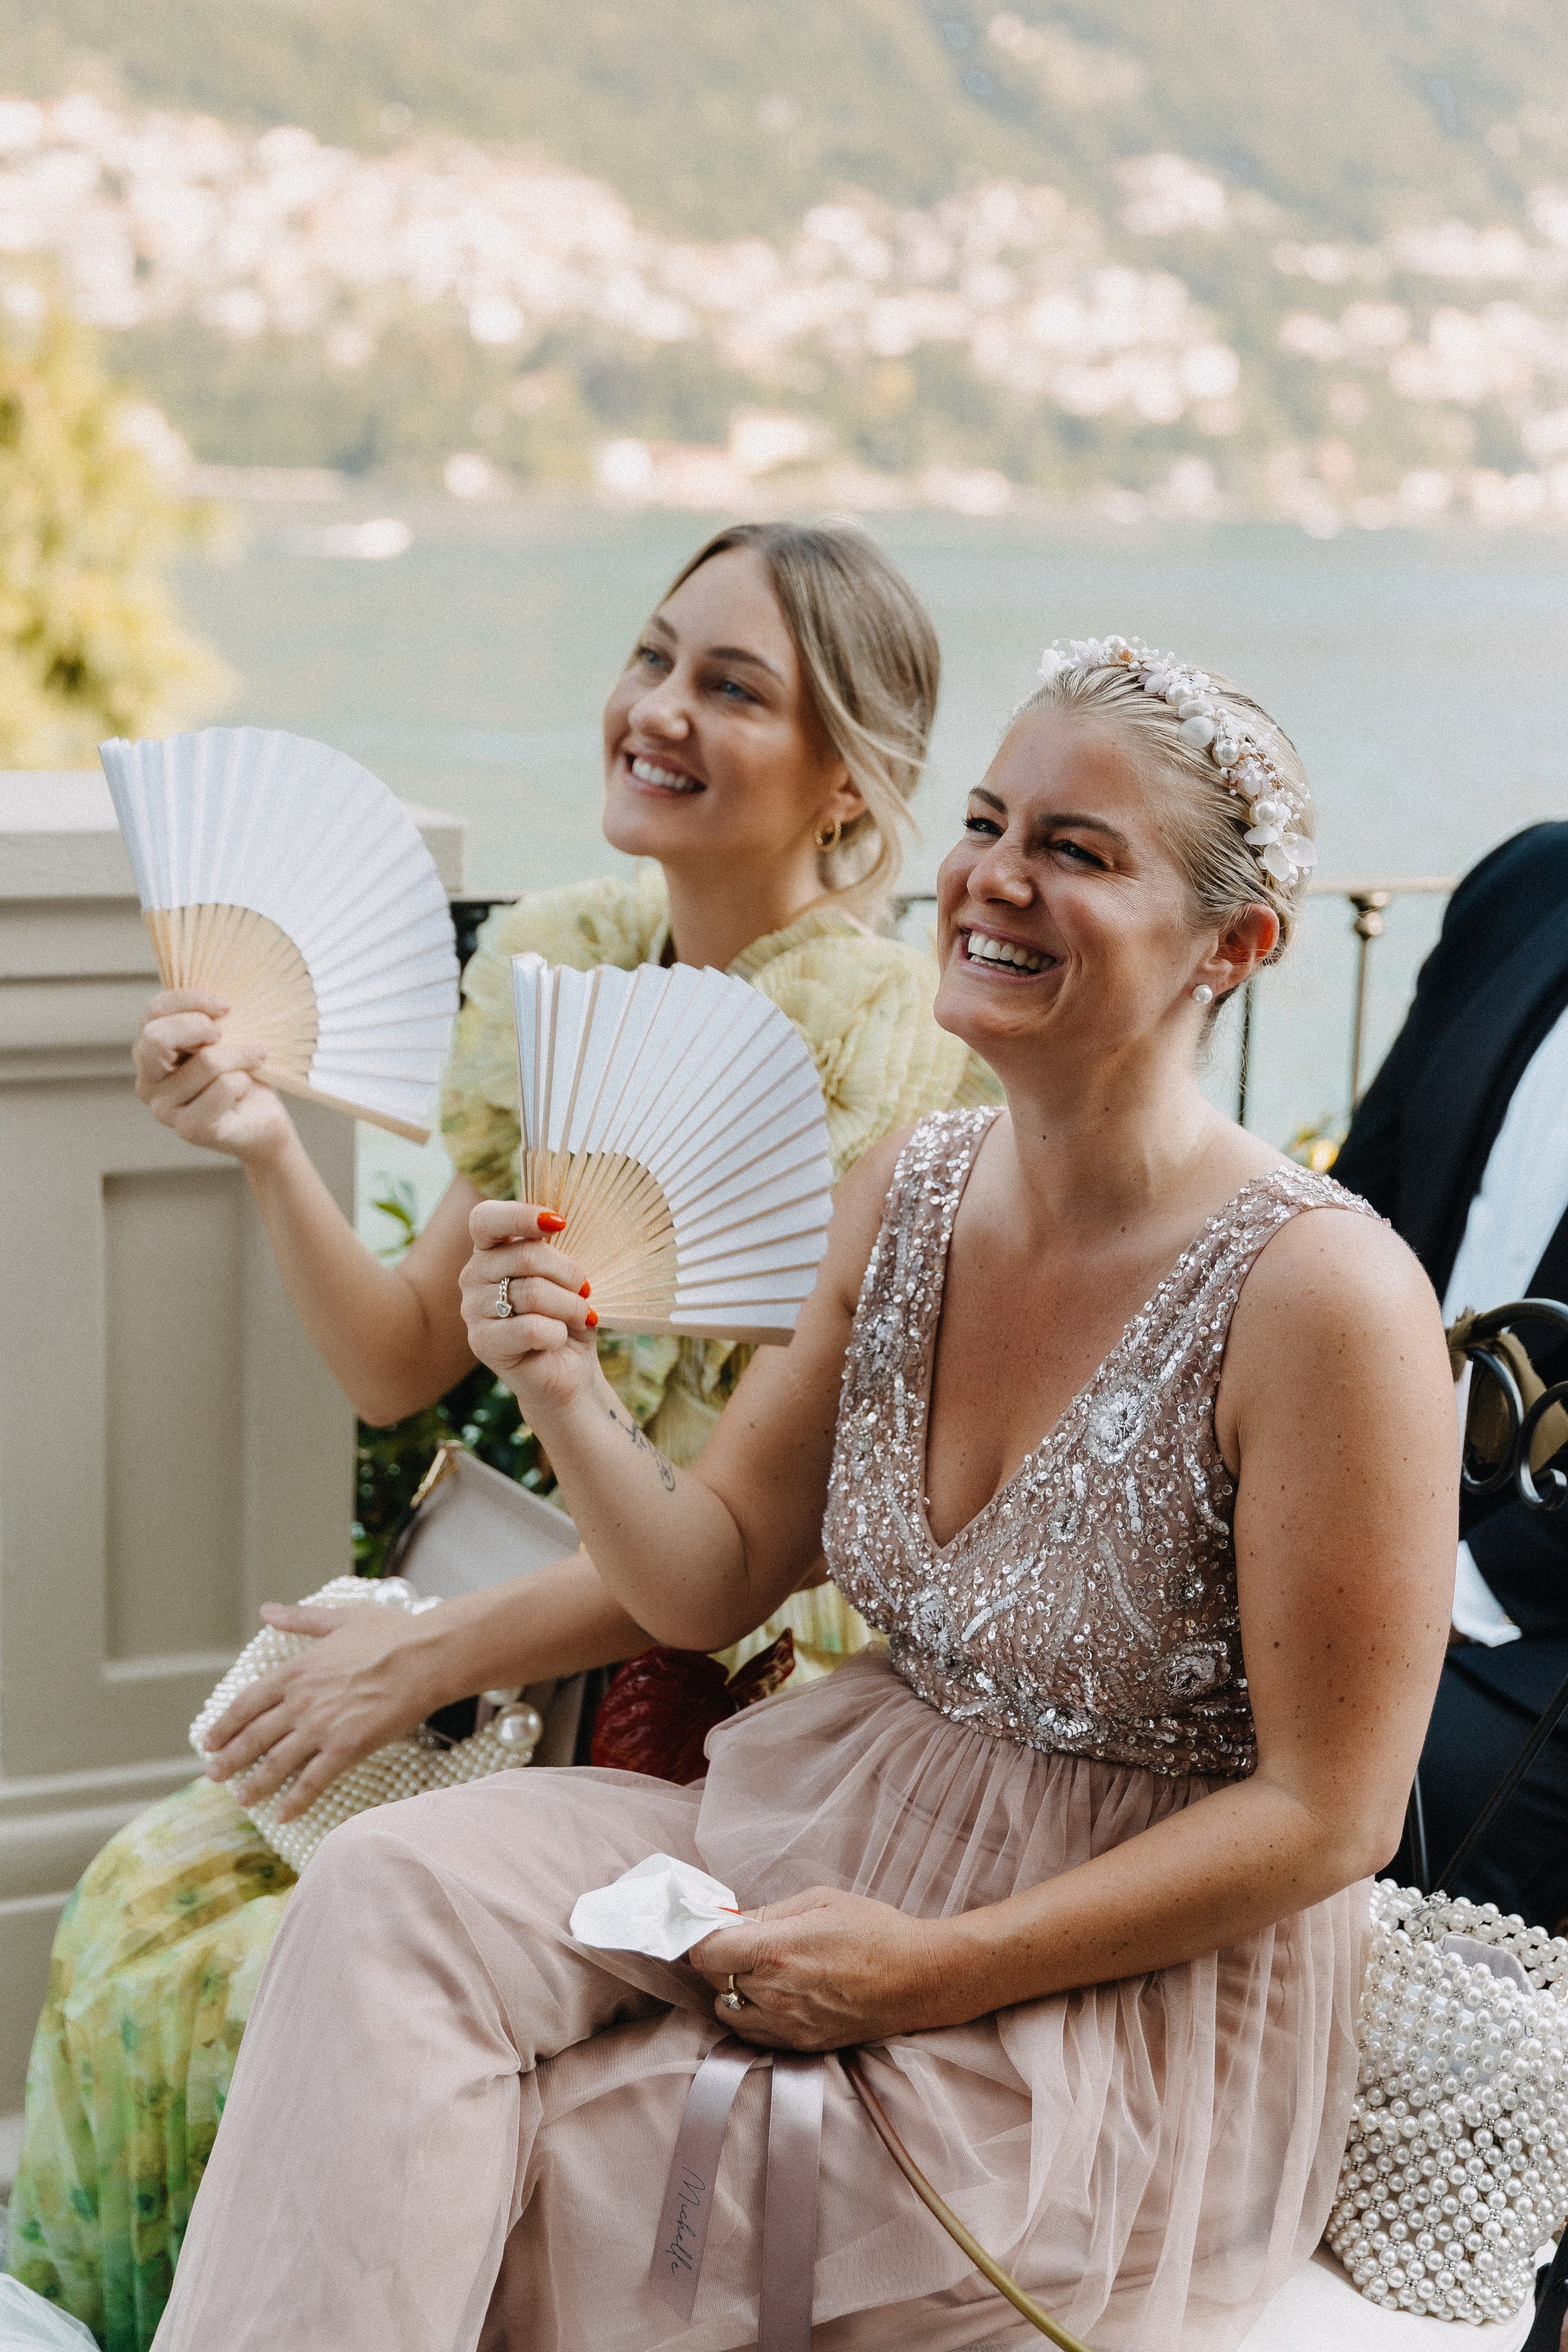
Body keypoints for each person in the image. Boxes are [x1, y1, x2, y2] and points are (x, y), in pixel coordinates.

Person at [150, 634, 1456, 2352]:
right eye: (988, 822)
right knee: (384, 1894)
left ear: (1242, 943)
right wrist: (557, 1383)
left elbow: (1331, 1818)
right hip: (826, 1810)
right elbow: (707, 1580)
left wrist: (934, 1972)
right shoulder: (903, 1194)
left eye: (1076, 849)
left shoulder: (1325, 1301)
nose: (992, 878)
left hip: (1116, 1998)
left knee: (557, 2172)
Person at [4, 522, 1000, 2352]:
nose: (658, 708)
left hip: (736, 1684)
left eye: (732, 685)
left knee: (231, 1991)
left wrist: (422, 1660)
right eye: (652, 654)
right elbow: (394, 1366)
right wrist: (262, 1142)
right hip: (534, 1619)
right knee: (137, 1900)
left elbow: (740, 1552)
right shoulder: (566, 966)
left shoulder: (899, 1071)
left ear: (848, 779)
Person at [1336, 821, 1568, 1928]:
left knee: (1381, 1818)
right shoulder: (1533, 880)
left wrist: (1457, 1591)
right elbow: (1361, 1203)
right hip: (1366, 1515)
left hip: (1540, 1621)